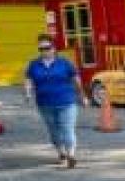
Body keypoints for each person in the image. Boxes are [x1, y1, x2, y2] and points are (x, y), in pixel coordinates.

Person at [23, 35, 87, 168]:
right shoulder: (34, 64)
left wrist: (82, 95)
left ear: (54, 48)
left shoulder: (64, 63)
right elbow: (29, 79)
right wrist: (28, 93)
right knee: (53, 130)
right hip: (45, 104)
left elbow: (76, 79)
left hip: (67, 102)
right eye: (41, 49)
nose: (44, 51)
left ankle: (71, 155)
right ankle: (61, 153)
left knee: (67, 128)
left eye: (47, 48)